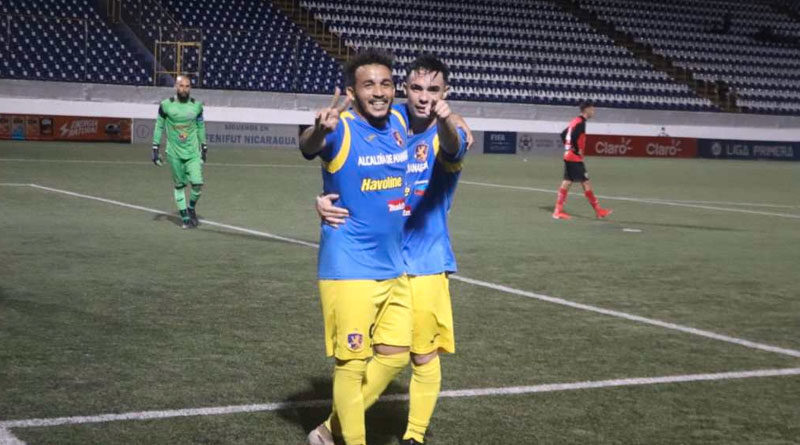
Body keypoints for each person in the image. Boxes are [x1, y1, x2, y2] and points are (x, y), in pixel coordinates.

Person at [313, 54, 469, 445]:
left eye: (433, 90)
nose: (424, 97)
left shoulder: (449, 130)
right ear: (404, 90)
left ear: (445, 94)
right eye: (416, 88)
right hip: (387, 261)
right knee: (387, 354)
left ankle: (414, 436)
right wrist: (321, 200)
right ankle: (336, 428)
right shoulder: (393, 123)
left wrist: (448, 119)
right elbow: (345, 167)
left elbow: (455, 145)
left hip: (428, 260)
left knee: (423, 355)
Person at [300, 49, 413, 445]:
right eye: (369, 85)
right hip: (348, 265)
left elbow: (434, 113)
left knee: (396, 353)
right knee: (351, 363)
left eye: (385, 83)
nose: (379, 92)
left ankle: (329, 431)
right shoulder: (341, 128)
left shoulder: (399, 120)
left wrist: (457, 117)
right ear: (352, 91)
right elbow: (309, 145)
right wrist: (318, 128)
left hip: (393, 266)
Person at [152, 75, 208, 229]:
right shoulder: (166, 105)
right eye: (181, 86)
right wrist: (155, 148)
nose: (184, 89)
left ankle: (191, 208)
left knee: (197, 184)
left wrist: (204, 146)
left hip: (192, 153)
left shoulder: (197, 106)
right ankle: (185, 219)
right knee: (180, 186)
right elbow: (159, 126)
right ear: (176, 87)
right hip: (174, 153)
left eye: (187, 86)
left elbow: (201, 127)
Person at [552, 101, 612, 220]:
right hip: (574, 157)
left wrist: (568, 148)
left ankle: (557, 211)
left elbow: (563, 134)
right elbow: (573, 136)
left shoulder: (575, 121)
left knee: (567, 181)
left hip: (569, 155)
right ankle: (598, 211)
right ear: (587, 110)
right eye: (592, 109)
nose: (593, 112)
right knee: (585, 182)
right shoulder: (581, 123)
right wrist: (575, 149)